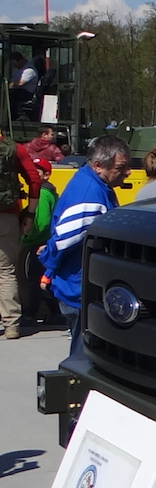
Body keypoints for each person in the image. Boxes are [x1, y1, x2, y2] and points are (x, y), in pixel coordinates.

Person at [39, 135, 130, 357]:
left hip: (76, 286)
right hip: (80, 289)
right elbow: (63, 241)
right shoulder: (90, 195)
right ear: (98, 165)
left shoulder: (92, 183)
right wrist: (49, 264)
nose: (128, 172)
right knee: (85, 357)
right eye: (121, 167)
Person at [0, 128, 41, 340]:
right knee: (6, 272)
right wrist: (30, 214)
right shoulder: (14, 149)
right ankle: (12, 325)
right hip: (8, 216)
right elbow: (34, 180)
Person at [17, 156, 59, 328]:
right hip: (46, 243)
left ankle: (30, 315)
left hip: (38, 244)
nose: (33, 174)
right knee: (43, 280)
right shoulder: (50, 193)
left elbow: (41, 222)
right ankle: (56, 313)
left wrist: (26, 237)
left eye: (38, 172)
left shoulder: (41, 194)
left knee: (34, 280)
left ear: (47, 175)